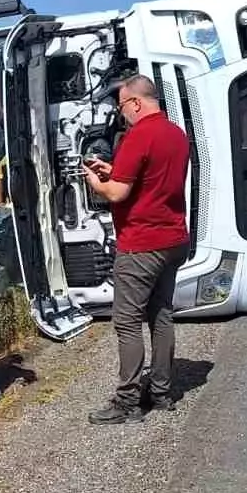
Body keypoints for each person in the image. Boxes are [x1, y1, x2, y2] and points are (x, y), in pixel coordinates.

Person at [81, 71, 191, 425]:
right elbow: (149, 179)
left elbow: (118, 193)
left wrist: (97, 182)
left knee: (126, 321)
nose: (120, 111)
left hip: (142, 242)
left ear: (136, 102)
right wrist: (116, 169)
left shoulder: (137, 136)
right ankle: (161, 392)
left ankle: (127, 400)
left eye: (122, 104)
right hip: (174, 238)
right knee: (161, 315)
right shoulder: (176, 134)